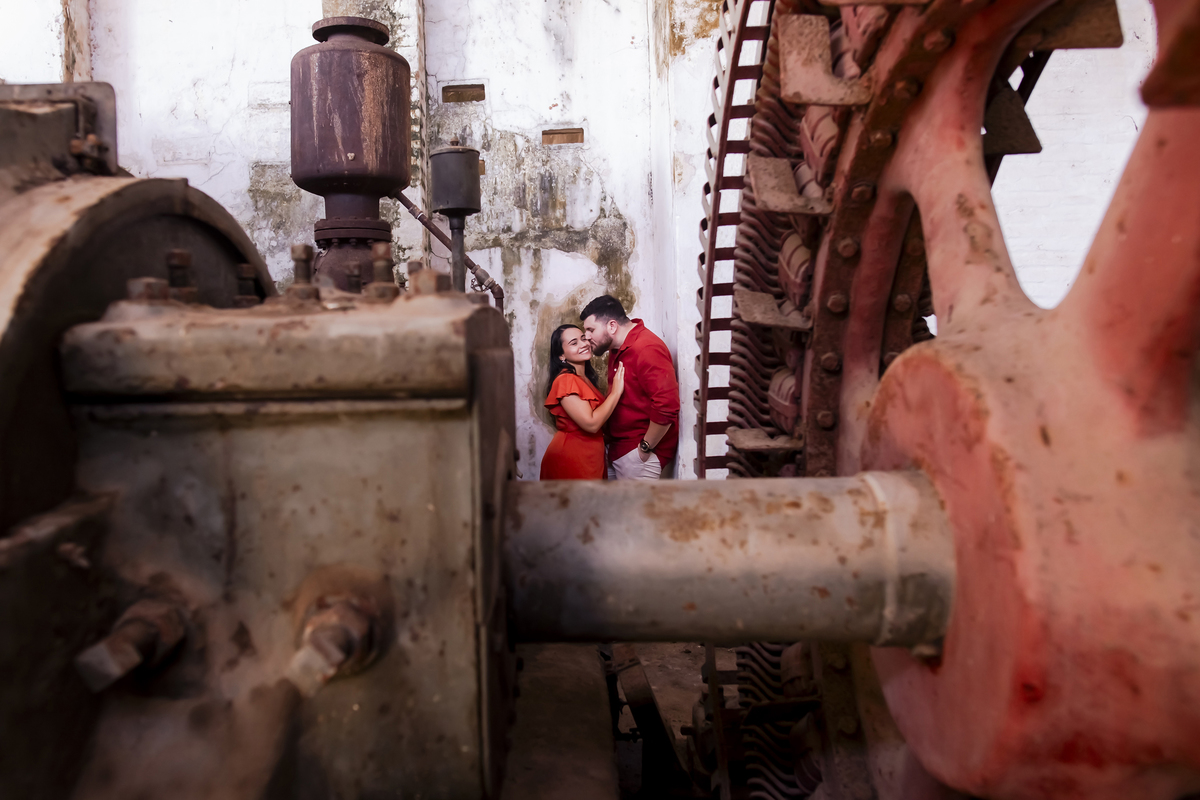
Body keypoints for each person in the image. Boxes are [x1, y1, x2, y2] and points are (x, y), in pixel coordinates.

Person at [580, 296, 679, 480]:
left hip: (638, 454)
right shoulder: (617, 348)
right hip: (618, 450)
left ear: (612, 326)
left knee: (637, 510)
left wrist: (644, 448)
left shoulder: (646, 348)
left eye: (590, 329)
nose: (586, 336)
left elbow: (667, 406)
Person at [540, 324, 627, 480]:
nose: (583, 344)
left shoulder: (585, 378)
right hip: (572, 458)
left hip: (591, 456)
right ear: (561, 356)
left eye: (583, 338)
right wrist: (616, 393)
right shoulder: (566, 380)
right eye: (574, 343)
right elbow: (591, 424)